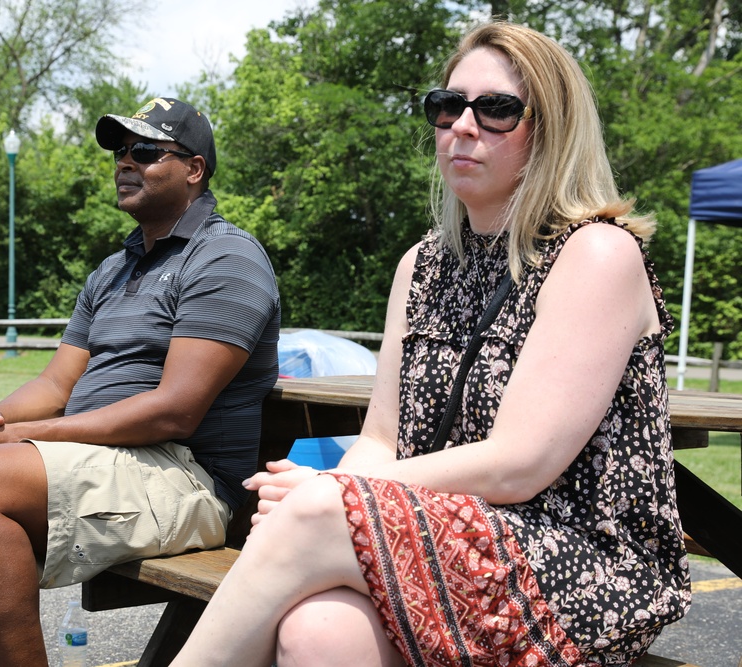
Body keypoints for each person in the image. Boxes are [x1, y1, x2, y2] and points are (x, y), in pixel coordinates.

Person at [170, 22, 689, 667]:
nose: (463, 126)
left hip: (582, 568)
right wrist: (336, 489)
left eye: (497, 109)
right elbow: (381, 439)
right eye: (448, 106)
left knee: (313, 510)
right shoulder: (422, 265)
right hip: (440, 535)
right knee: (318, 631)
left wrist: (330, 493)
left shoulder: (597, 254)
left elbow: (520, 464)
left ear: (551, 129)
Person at [0, 97, 280, 667]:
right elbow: (56, 383)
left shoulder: (226, 259)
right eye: (121, 153)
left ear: (193, 169)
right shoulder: (115, 268)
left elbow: (174, 411)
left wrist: (17, 440)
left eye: (145, 151)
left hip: (186, 475)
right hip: (102, 456)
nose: (126, 163)